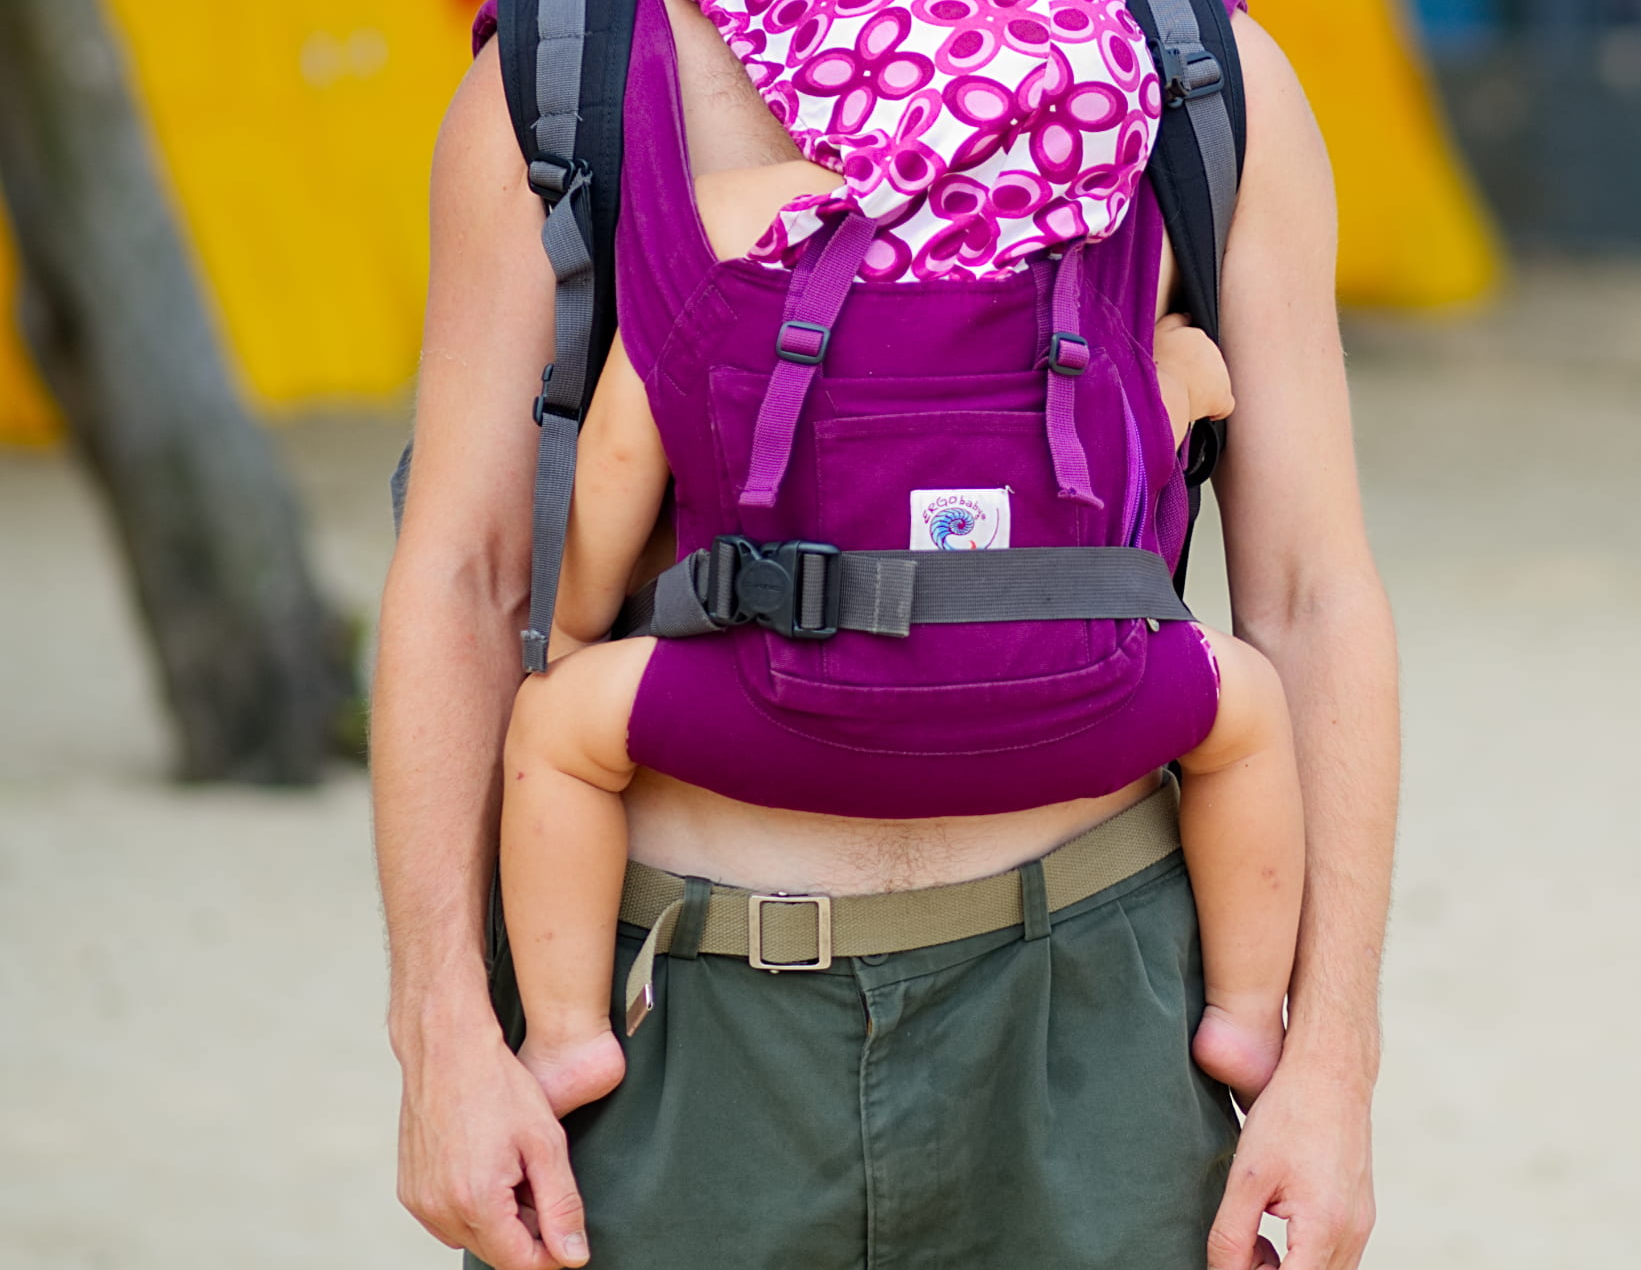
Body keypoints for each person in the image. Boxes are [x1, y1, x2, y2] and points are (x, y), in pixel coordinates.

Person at [374, 0, 1396, 1270]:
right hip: (681, 1041)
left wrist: (1327, 1064)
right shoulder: (569, 64)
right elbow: (456, 578)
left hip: (1104, 1036)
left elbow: (1318, 594)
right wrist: (447, 1028)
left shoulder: (1203, 69)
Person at [499, 151, 1305, 1122]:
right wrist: (1186, 375)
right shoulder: (1092, 235)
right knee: (1250, 708)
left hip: (786, 708)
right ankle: (1249, 1017)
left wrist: (585, 628)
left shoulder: (722, 229)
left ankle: (566, 1034)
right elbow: (1152, 432)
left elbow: (593, 544)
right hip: (1078, 708)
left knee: (556, 727)